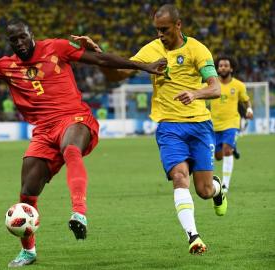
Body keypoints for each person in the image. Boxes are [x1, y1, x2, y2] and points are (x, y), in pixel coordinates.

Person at [0, 18, 166, 267]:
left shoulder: (57, 47)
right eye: (14, 40)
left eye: (23, 37)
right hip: (44, 131)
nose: (20, 43)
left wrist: (144, 66)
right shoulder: (6, 66)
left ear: (31, 34)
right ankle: (28, 251)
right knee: (27, 192)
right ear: (9, 43)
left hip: (74, 117)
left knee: (71, 150)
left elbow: (100, 59)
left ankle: (79, 212)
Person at [75, 4, 227, 255]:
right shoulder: (151, 49)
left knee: (204, 190)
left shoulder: (198, 49)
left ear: (178, 25)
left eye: (164, 29)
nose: (160, 35)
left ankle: (218, 188)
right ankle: (194, 237)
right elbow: (118, 75)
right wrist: (100, 56)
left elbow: (215, 88)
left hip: (200, 125)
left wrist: (195, 93)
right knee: (179, 177)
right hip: (169, 127)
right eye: (157, 30)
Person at [211, 56, 253, 193]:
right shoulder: (212, 84)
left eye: (225, 65)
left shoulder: (239, 85)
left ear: (231, 68)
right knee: (218, 156)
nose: (222, 67)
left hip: (232, 123)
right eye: (220, 65)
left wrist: (249, 109)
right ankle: (233, 148)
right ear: (217, 68)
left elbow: (246, 100)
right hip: (214, 124)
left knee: (226, 151)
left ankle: (225, 185)